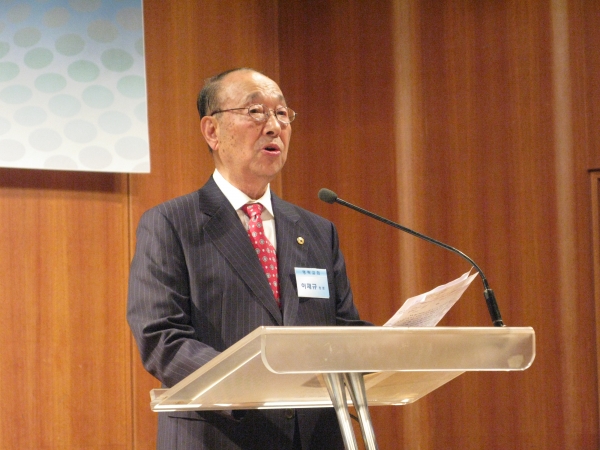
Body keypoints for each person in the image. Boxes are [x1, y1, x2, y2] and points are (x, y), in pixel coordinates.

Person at [127, 68, 366, 450]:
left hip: (316, 436)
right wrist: (253, 383)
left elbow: (340, 328)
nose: (274, 126)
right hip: (219, 435)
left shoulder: (318, 230)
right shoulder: (171, 223)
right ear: (212, 131)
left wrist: (402, 340)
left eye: (282, 114)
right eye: (256, 111)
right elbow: (162, 338)